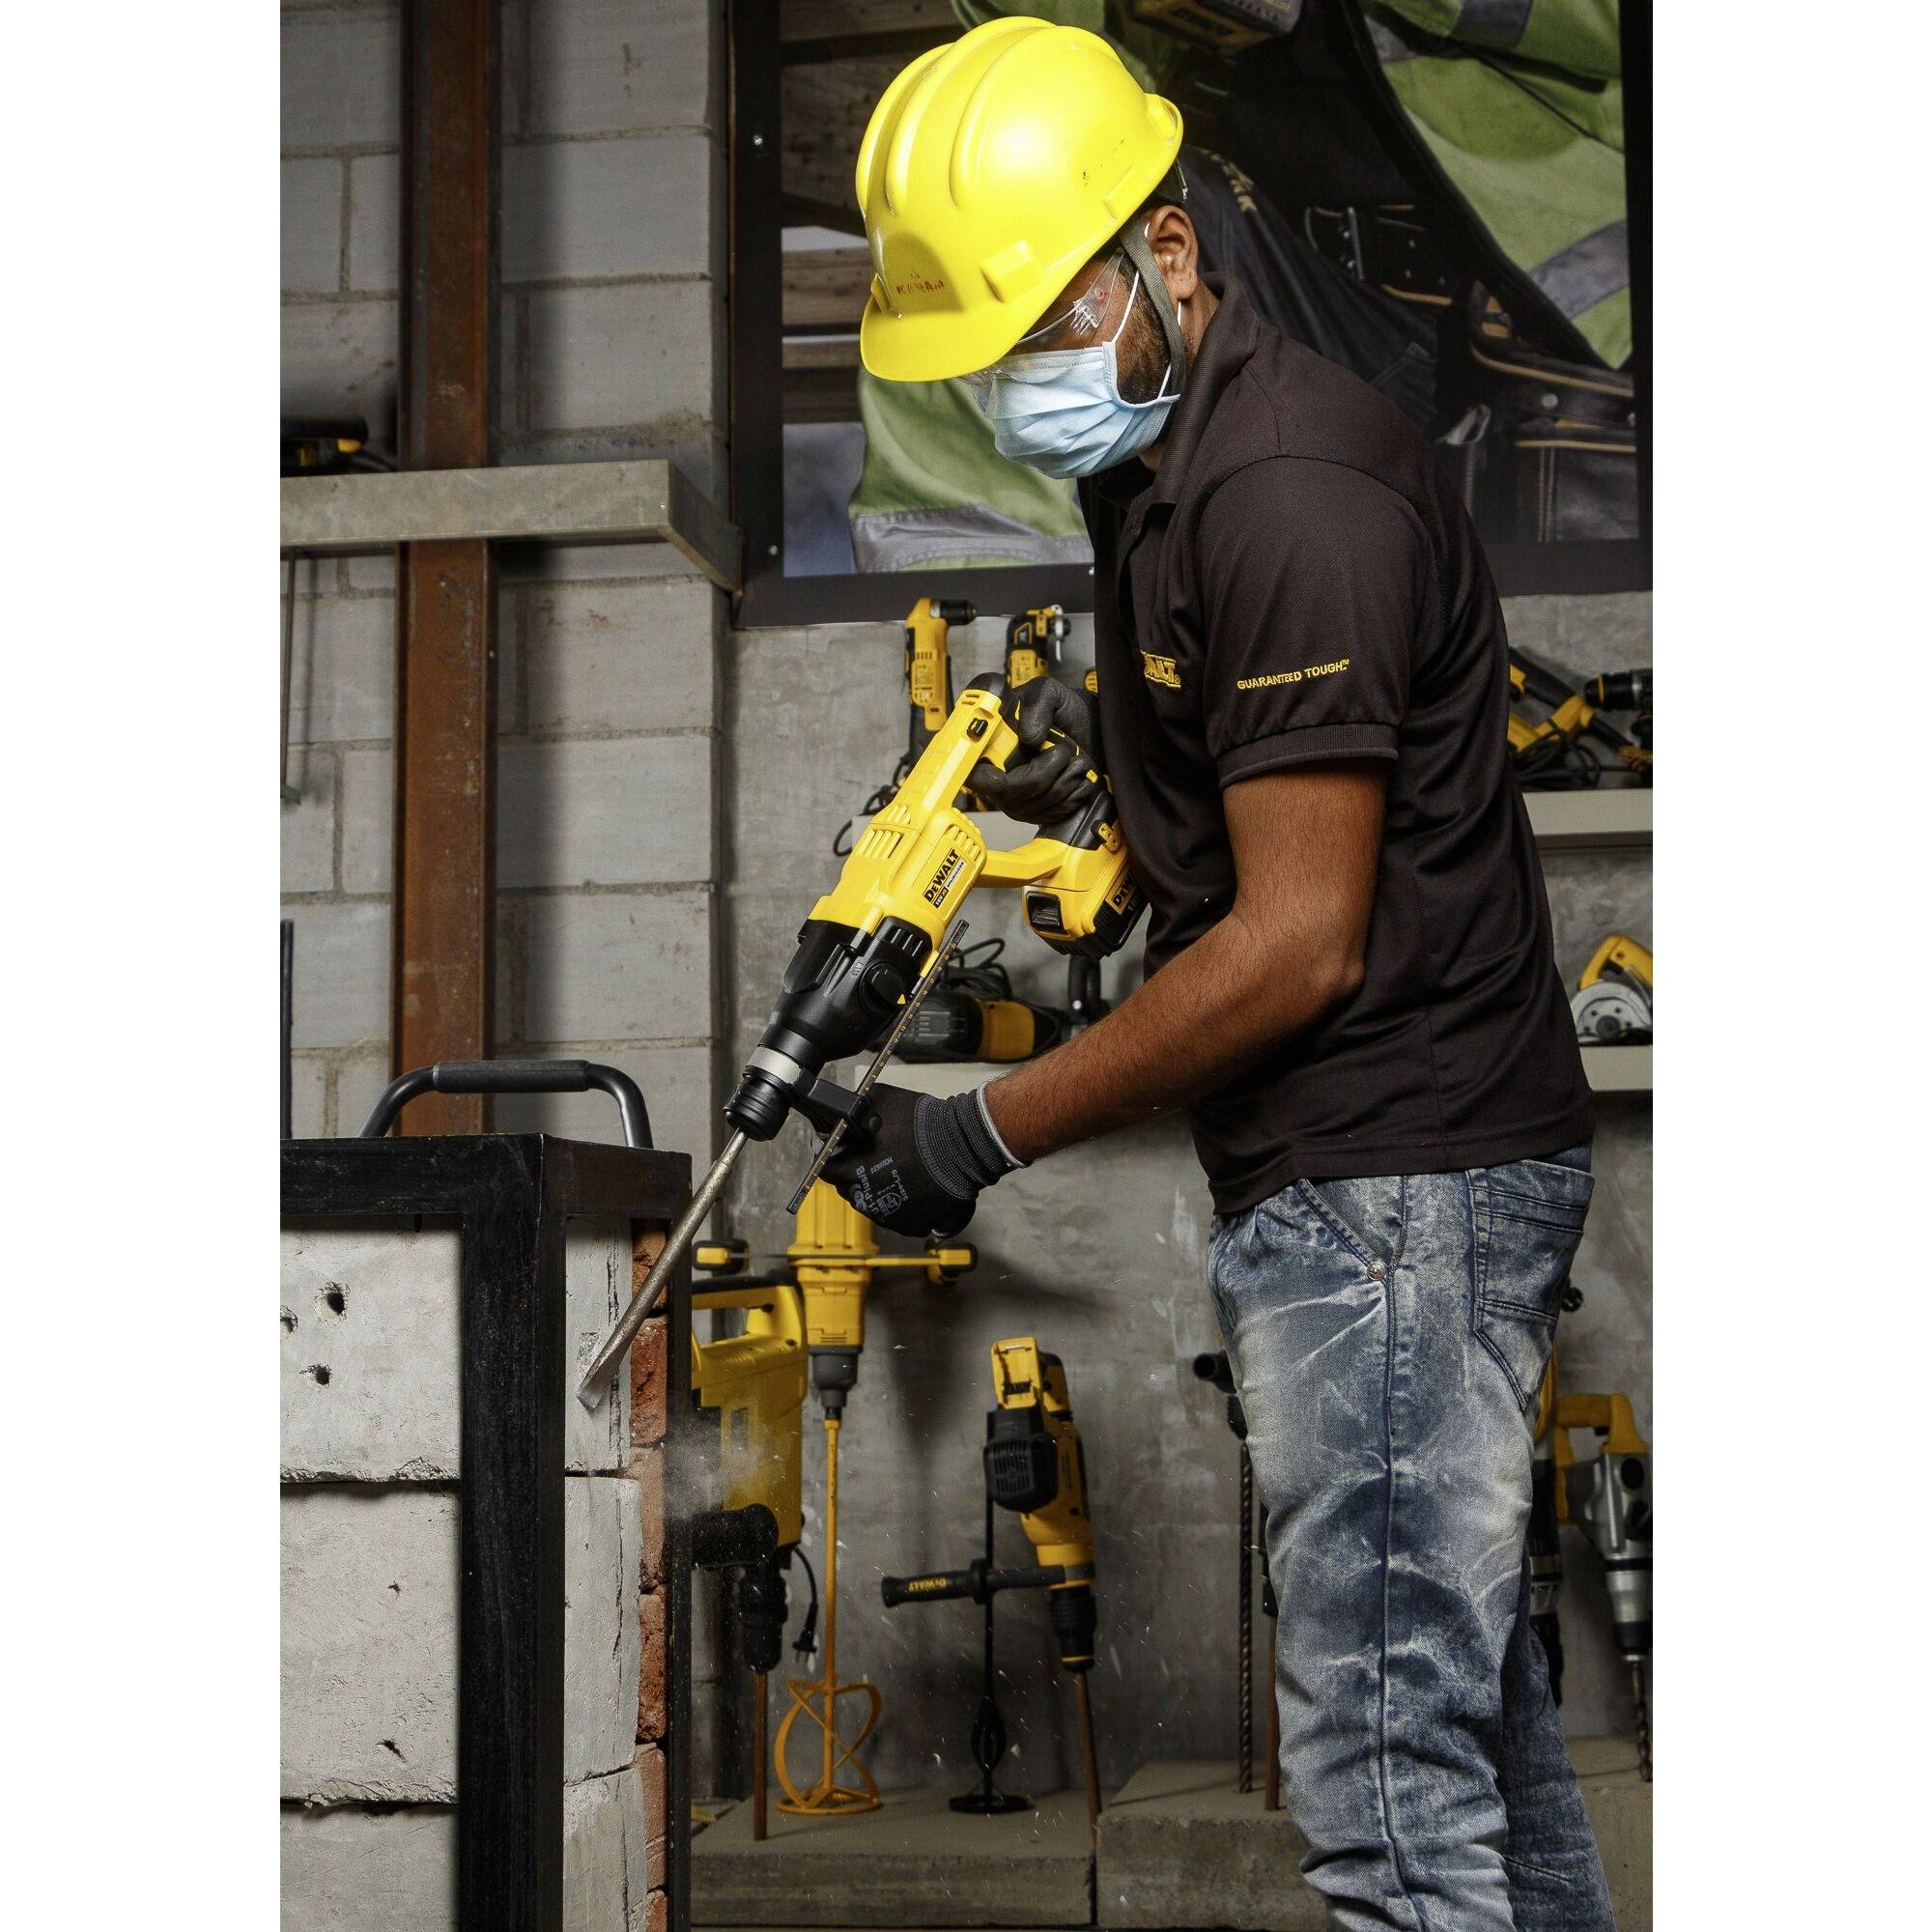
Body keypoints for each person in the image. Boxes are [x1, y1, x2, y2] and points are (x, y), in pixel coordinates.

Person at [825, 18, 1615, 1931]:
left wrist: (975, 1132)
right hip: (1371, 1181)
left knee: (1379, 1779)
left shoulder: (1281, 491)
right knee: (1473, 1742)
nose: (1019, 381)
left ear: (1169, 253)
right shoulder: (1174, 470)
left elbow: (1295, 942)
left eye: (1039, 330)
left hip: (1395, 1195)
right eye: (985, 354)